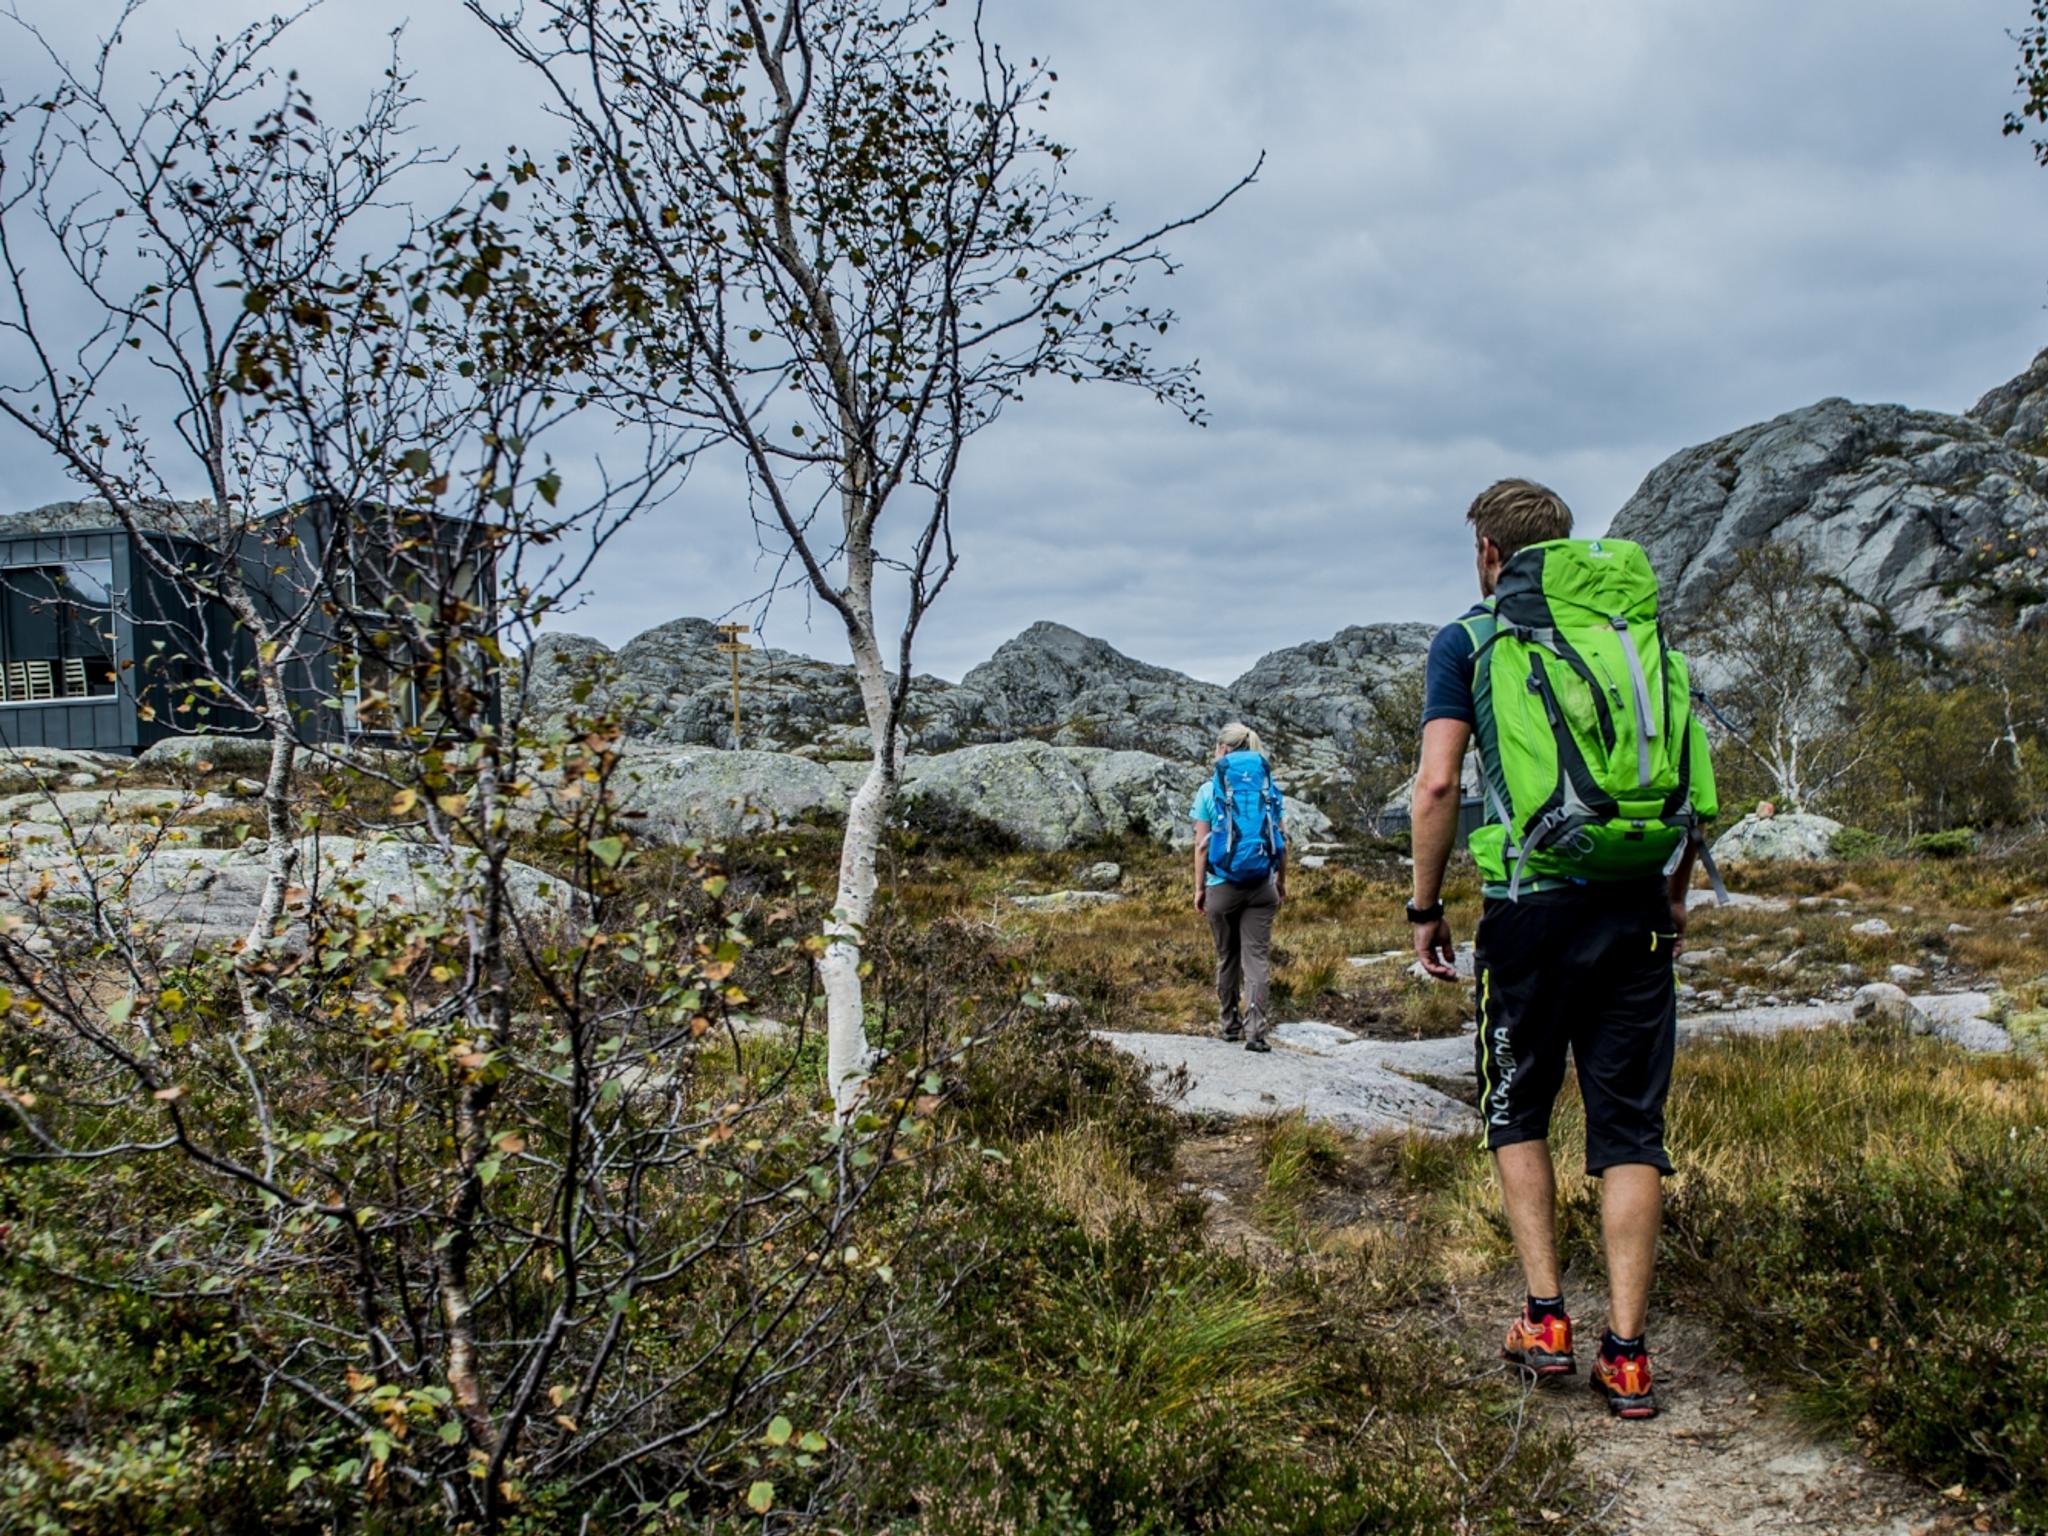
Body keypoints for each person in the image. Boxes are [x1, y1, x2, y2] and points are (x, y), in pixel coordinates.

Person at [1408, 479, 1718, 1421]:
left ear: (1490, 554)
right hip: (1635, 911)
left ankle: (1546, 1321)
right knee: (1629, 1129)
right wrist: (1669, 891)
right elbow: (1689, 780)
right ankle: (1627, 1356)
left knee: (1520, 1108)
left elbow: (1435, 785)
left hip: (1528, 910)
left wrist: (1424, 908)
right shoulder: (1635, 636)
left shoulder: (1468, 639)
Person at [1191, 722, 1287, 1053]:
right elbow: (1281, 840)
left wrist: (1199, 888)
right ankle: (1256, 1032)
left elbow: (1202, 847)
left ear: (1223, 750)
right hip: (1262, 886)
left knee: (1226, 956)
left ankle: (1229, 1025)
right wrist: (1280, 881)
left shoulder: (1208, 790)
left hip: (1221, 886)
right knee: (1256, 958)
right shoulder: (1270, 788)